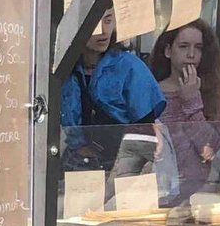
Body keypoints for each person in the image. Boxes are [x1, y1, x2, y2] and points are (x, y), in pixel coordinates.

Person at [60, 10, 164, 168]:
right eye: (95, 24)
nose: (103, 31)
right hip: (78, 162)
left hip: (121, 161)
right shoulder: (64, 70)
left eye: (108, 21)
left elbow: (144, 127)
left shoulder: (129, 67)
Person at [151, 19, 220, 202]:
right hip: (158, 190)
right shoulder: (151, 92)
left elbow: (209, 149)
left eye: (198, 48)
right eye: (183, 46)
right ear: (168, 50)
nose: (191, 54)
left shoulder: (214, 94)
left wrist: (192, 101)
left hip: (201, 194)